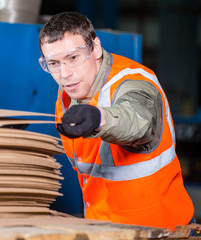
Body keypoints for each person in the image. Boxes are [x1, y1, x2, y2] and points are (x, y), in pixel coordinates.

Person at [38, 11, 194, 231]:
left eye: (73, 58)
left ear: (96, 48)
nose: (64, 74)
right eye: (53, 63)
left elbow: (138, 121)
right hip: (104, 229)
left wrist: (99, 118)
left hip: (161, 230)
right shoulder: (67, 95)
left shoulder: (133, 82)